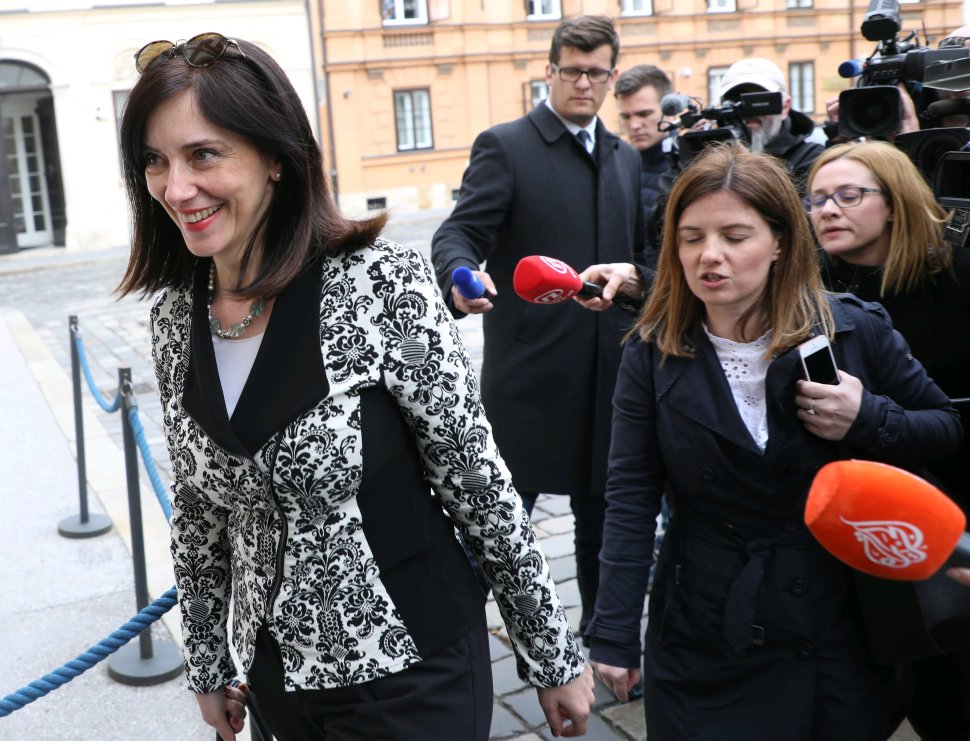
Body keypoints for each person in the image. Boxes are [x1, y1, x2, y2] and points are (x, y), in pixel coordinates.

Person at [116, 32, 593, 741]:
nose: (175, 187)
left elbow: (477, 481)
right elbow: (197, 510)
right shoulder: (173, 317)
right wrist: (209, 665)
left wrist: (552, 655)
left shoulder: (379, 284)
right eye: (155, 160)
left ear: (276, 157)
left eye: (203, 154)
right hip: (274, 679)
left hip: (412, 674)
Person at [585, 142, 962, 738]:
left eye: (735, 236)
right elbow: (631, 493)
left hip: (834, 621)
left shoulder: (852, 327)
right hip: (707, 621)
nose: (710, 255)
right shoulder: (651, 353)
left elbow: (945, 427)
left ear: (781, 241)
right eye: (691, 237)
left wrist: (868, 418)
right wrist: (613, 629)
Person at [430, 15, 646, 640]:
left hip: (611, 380)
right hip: (531, 380)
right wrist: (461, 277)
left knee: (603, 526)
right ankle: (449, 645)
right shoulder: (507, 145)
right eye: (572, 71)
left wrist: (636, 283)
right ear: (549, 71)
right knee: (495, 526)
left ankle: (604, 644)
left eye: (596, 72)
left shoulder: (626, 158)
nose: (584, 83)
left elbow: (636, 251)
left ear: (611, 75)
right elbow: (459, 231)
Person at [807, 139, 970, 740]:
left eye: (848, 196)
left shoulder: (958, 273)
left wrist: (872, 416)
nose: (828, 210)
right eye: (817, 200)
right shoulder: (815, 284)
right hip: (871, 520)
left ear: (896, 203)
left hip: (955, 506)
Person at [614, 64, 672, 247]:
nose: (634, 125)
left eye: (644, 114)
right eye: (626, 117)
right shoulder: (614, 166)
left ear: (669, 111)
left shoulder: (689, 165)